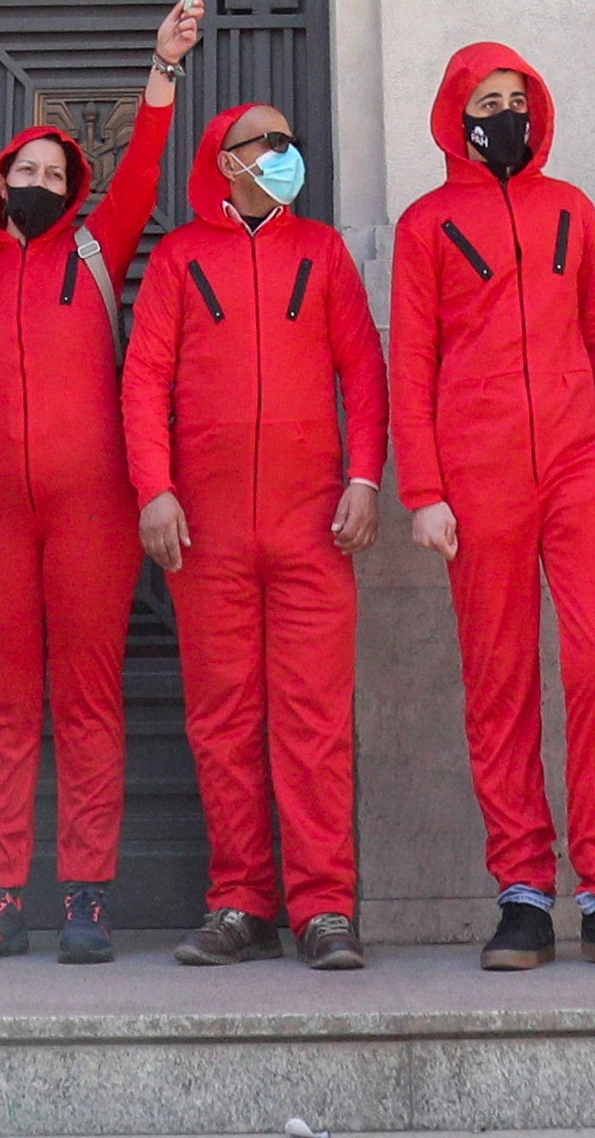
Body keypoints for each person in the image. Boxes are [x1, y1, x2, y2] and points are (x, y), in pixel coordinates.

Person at [0, 0, 204, 963]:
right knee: (5, 701)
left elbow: (143, 167)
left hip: (95, 512)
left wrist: (161, 68)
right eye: (26, 171)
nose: (40, 181)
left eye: (55, 171)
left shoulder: (97, 250)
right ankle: (0, 897)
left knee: (88, 700)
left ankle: (86, 895)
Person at [392, 41, 595, 972]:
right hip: (478, 474)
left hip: (578, 462)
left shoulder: (572, 208)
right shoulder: (425, 223)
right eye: (488, 98)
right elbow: (412, 364)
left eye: (518, 96)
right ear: (456, 113)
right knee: (499, 680)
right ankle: (522, 893)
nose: (506, 112)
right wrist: (424, 488)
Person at [127, 96, 383, 970]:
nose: (283, 151)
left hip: (313, 527)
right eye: (265, 142)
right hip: (208, 534)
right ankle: (240, 899)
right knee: (223, 721)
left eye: (288, 138)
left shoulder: (323, 250)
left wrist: (364, 476)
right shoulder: (178, 256)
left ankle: (324, 907)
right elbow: (143, 379)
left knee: (315, 722)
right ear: (226, 159)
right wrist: (154, 490)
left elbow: (365, 370)